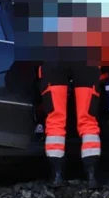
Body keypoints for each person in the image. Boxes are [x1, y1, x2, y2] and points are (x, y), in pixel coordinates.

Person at [40, 60, 102, 189]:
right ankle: (92, 177)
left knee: (55, 120)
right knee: (88, 121)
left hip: (53, 61)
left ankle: (57, 176)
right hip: (87, 60)